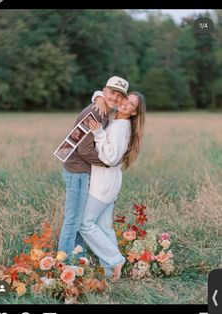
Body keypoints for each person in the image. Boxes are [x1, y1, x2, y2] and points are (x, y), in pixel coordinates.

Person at [57, 76, 129, 261]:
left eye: (120, 95)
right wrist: (108, 162)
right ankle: (63, 263)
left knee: (80, 219)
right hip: (77, 170)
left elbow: (100, 96)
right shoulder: (97, 112)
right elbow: (83, 150)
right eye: (112, 93)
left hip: (83, 170)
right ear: (104, 91)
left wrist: (98, 97)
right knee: (73, 220)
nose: (115, 98)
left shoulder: (104, 109)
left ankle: (78, 259)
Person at [79, 91, 146, 282]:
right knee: (103, 225)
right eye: (126, 99)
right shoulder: (115, 118)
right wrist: (98, 97)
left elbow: (111, 158)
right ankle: (109, 272)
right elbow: (103, 93)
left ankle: (116, 260)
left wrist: (99, 134)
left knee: (85, 224)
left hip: (104, 184)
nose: (125, 104)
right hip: (109, 182)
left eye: (131, 105)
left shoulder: (121, 127)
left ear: (134, 113)